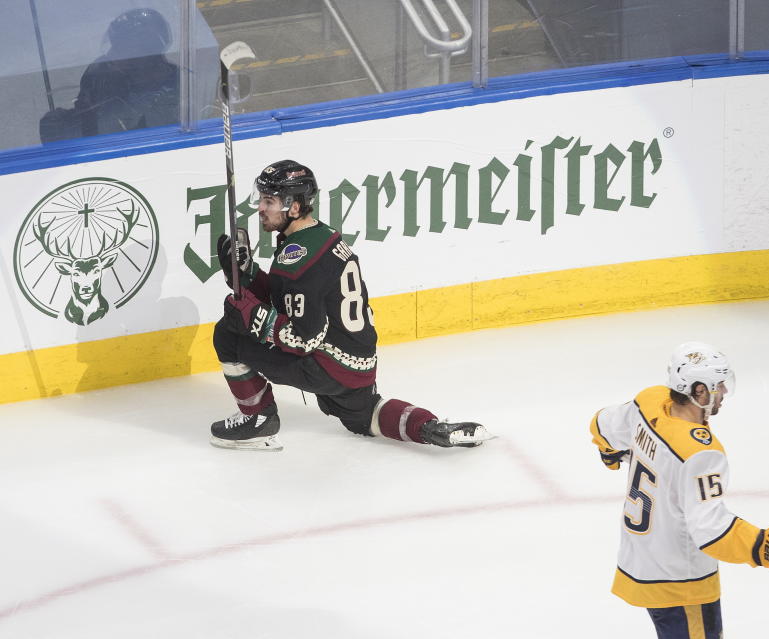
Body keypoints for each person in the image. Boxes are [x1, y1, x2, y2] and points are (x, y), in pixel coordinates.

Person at [210, 159, 493, 451]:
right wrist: (249, 276)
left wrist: (256, 317)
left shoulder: (297, 257)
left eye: (269, 201)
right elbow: (292, 297)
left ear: (294, 207)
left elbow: (303, 338)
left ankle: (258, 420)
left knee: (228, 334)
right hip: (358, 366)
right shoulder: (319, 236)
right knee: (366, 415)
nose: (260, 208)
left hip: (325, 365)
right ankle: (430, 428)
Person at [589, 342, 769, 638]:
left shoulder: (648, 403)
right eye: (718, 385)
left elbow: (602, 424)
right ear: (699, 390)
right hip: (679, 578)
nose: (723, 392)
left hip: (643, 557)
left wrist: (608, 449)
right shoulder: (701, 453)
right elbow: (711, 530)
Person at [40, 8, 178, 143]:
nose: (114, 55)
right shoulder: (101, 72)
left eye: (123, 47)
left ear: (146, 50)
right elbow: (87, 115)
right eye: (116, 45)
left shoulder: (178, 83)